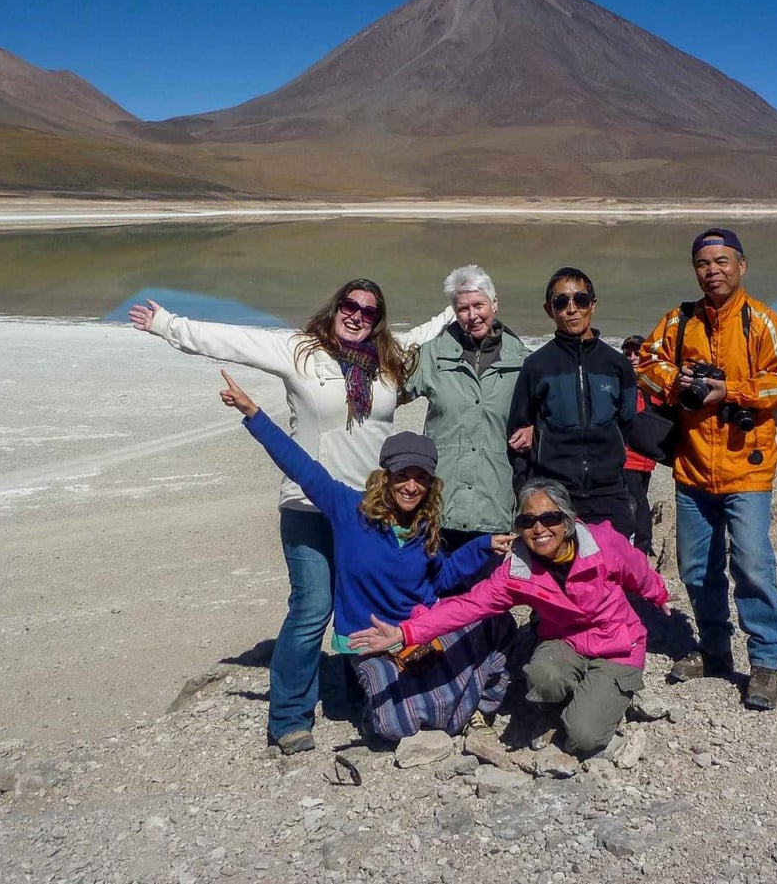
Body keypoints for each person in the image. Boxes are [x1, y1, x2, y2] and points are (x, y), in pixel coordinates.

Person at [129, 281, 450, 754]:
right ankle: (289, 718)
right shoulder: (298, 350)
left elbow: (428, 331)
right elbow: (234, 340)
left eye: (369, 310)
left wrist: (464, 300)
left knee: (365, 604)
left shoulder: (388, 359)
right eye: (350, 305)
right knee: (312, 606)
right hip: (309, 504)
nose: (358, 315)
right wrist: (167, 325)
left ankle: (360, 697)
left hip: (368, 510)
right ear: (335, 306)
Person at [216, 369, 516, 745]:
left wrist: (482, 547)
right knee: (395, 724)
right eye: (402, 475)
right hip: (368, 639)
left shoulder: (425, 526)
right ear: (385, 477)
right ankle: (436, 700)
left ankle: (460, 701)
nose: (411, 486)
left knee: (495, 623)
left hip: (416, 633)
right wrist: (253, 414)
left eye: (420, 478)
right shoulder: (349, 510)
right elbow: (301, 467)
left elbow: (441, 579)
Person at [349, 478, 669, 757]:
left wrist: (659, 593)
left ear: (568, 520)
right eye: (528, 522)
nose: (539, 529)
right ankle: (570, 703)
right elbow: (468, 606)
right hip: (565, 641)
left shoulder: (600, 544)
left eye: (550, 518)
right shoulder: (517, 570)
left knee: (583, 737)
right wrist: (406, 633)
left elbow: (637, 569)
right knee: (543, 676)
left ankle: (604, 700)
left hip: (618, 648)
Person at [636, 228, 777, 711]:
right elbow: (645, 363)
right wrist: (679, 381)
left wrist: (730, 390)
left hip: (747, 470)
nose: (713, 270)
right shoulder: (679, 321)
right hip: (692, 468)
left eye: (721, 261)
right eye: (703, 263)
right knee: (696, 569)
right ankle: (714, 650)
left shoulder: (763, 323)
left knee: (752, 564)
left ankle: (765, 662)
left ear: (741, 266)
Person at [402, 265, 530, 551]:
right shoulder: (431, 355)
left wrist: (536, 430)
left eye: (479, 305)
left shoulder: (522, 361)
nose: (472, 316)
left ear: (495, 304)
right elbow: (388, 394)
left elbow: (548, 413)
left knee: (486, 595)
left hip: (494, 509)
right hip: (438, 509)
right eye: (463, 309)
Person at [506, 267, 638, 537]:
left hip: (609, 491)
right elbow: (518, 433)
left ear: (593, 304)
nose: (572, 309)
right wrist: (526, 491)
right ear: (549, 310)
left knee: (612, 571)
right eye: (561, 302)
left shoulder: (617, 365)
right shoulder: (537, 365)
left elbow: (626, 423)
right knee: (559, 573)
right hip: (556, 492)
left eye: (581, 300)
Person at [619, 335, 658, 556]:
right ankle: (640, 549)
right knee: (638, 505)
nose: (633, 357)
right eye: (629, 354)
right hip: (626, 457)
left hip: (647, 458)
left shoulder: (653, 383)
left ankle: (639, 547)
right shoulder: (620, 382)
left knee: (638, 500)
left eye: (637, 353)